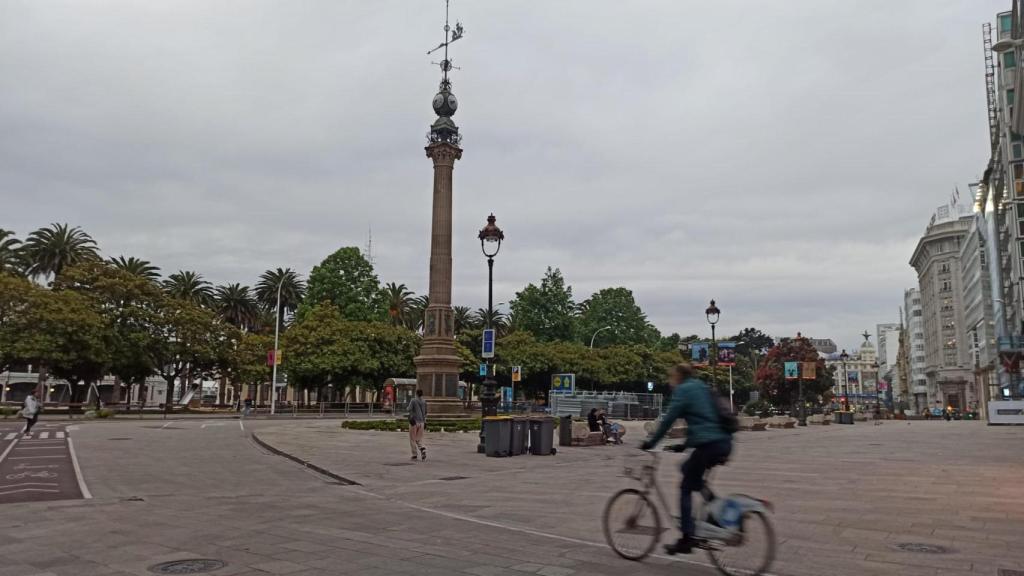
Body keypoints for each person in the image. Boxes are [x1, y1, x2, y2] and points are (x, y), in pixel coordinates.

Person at [641, 363, 733, 555]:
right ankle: (716, 512)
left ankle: (686, 538)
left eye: (671, 377)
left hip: (708, 445)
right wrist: (683, 445)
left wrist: (651, 442)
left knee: (685, 487)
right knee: (688, 472)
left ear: (678, 377)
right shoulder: (701, 386)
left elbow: (668, 420)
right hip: (723, 442)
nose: (670, 381)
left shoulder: (683, 390)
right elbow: (703, 421)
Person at [408, 389, 427, 461]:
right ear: (422, 394)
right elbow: (425, 412)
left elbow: (409, 409)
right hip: (422, 422)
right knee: (419, 438)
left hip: (414, 422)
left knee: (412, 439)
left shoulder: (413, 400)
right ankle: (422, 448)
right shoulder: (424, 401)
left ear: (416, 393)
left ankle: (414, 455)